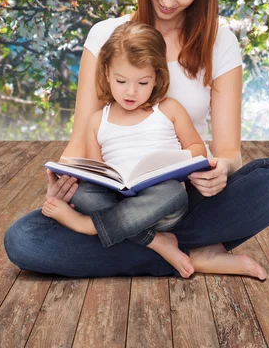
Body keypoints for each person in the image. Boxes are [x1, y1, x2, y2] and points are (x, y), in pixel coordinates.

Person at [4, 0, 269, 279]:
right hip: (112, 196)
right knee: (23, 240)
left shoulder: (220, 43)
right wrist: (62, 181)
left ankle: (139, 244)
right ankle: (184, 249)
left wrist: (220, 171)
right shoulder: (105, 35)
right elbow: (81, 144)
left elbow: (229, 152)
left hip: (184, 194)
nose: (167, 1)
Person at [42, 21, 208, 278]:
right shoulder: (98, 120)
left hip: (161, 205)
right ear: (107, 73)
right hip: (118, 203)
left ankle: (88, 226)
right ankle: (154, 241)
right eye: (121, 81)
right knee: (82, 192)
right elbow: (96, 174)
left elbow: (197, 147)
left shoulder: (169, 109)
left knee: (173, 192)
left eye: (143, 83)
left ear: (157, 77)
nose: (131, 91)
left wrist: (182, 162)